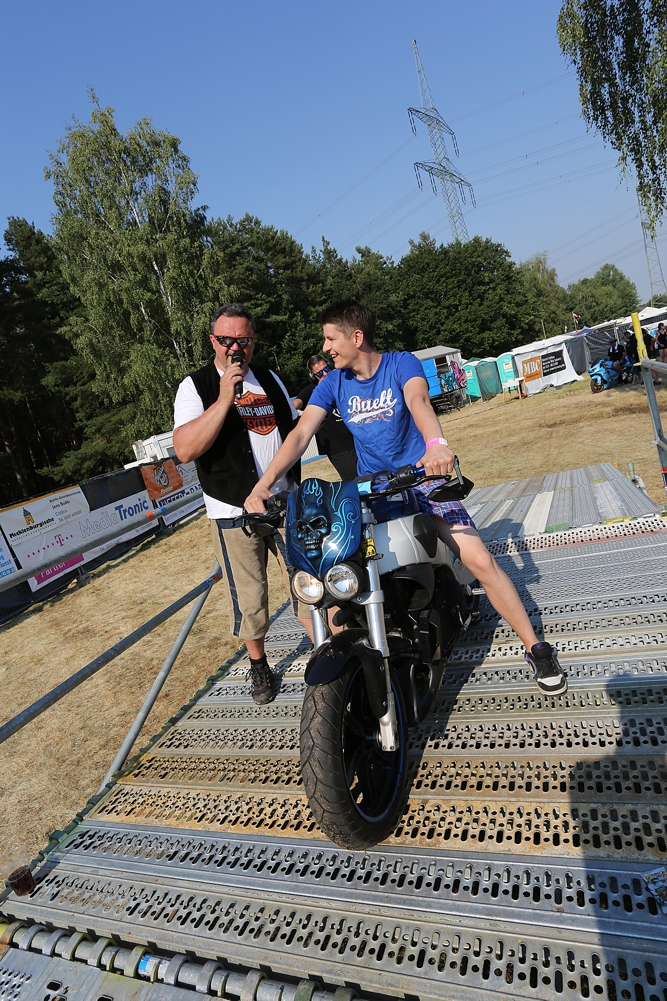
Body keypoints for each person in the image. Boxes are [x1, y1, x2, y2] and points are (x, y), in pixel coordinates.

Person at [245, 299, 568, 697]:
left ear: (356, 337)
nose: (325, 348)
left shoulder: (401, 363)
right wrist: (265, 484)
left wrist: (436, 446)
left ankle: (536, 648)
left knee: (480, 560)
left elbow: (419, 402)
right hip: (375, 489)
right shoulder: (331, 383)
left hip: (421, 477)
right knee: (336, 580)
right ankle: (350, 678)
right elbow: (299, 435)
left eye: (330, 338)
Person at [172, 303, 312, 706]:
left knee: (308, 580)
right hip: (232, 511)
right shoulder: (195, 386)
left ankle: (324, 647)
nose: (236, 348)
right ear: (212, 341)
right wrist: (223, 399)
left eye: (244, 340)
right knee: (251, 597)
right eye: (226, 340)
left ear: (254, 341)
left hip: (285, 501)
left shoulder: (268, 377)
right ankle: (259, 664)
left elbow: (294, 432)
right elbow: (185, 450)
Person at [293, 354, 358, 480]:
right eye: (319, 373)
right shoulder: (312, 390)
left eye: (326, 369)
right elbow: (295, 404)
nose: (325, 374)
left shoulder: (341, 381)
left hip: (356, 440)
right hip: (338, 449)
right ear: (313, 376)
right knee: (356, 482)